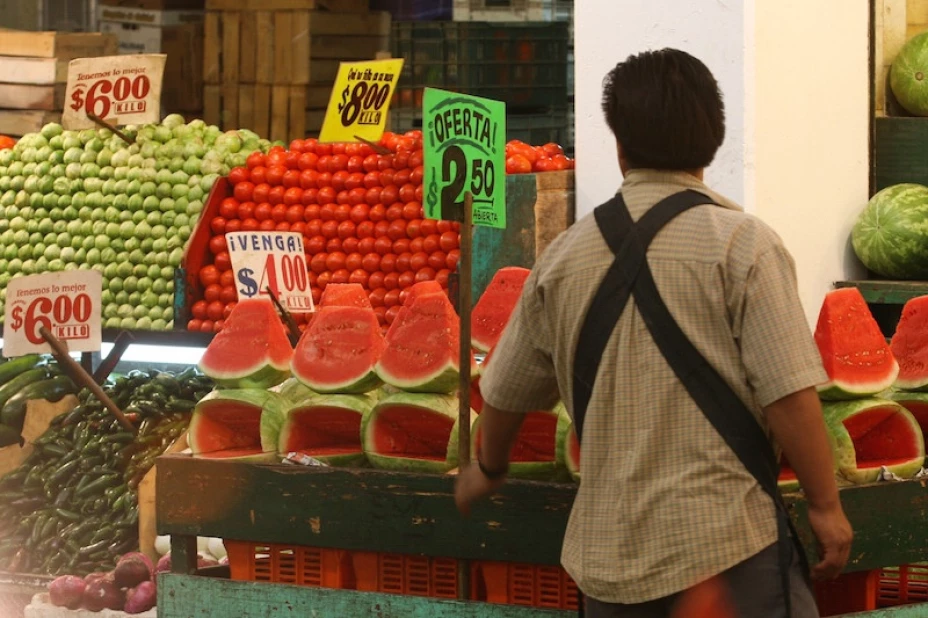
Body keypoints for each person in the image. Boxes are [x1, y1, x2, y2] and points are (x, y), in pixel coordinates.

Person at [454, 48, 853, 618]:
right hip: (728, 552)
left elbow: (503, 391)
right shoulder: (743, 245)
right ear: (713, 140)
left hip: (609, 566)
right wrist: (824, 506)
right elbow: (789, 393)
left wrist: (488, 468)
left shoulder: (563, 256)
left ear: (618, 145)